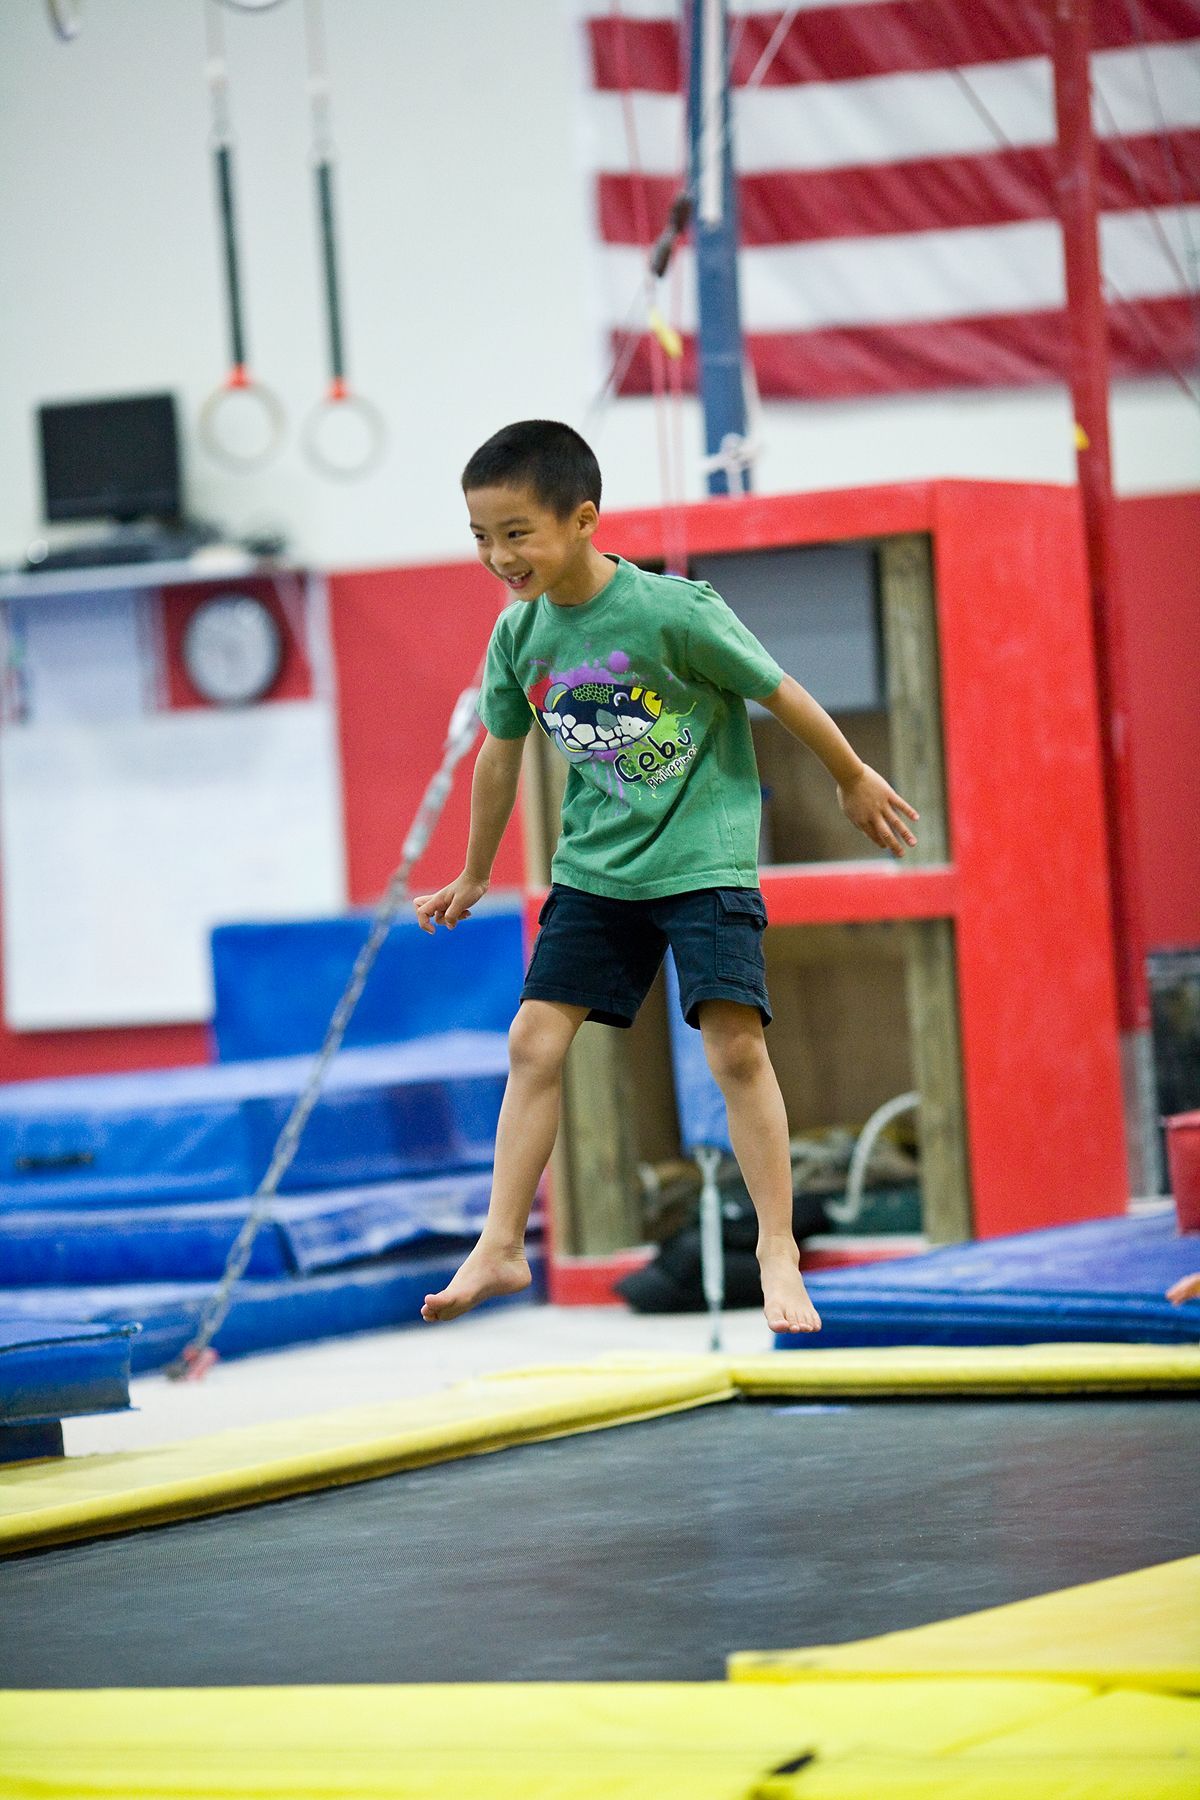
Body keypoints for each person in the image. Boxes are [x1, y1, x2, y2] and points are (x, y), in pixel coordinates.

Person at [414, 419, 919, 1334]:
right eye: (481, 536)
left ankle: (777, 1247)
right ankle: (499, 1243)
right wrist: (474, 871)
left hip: (701, 856)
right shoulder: (518, 636)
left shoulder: (674, 612)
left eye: (516, 533)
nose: (498, 556)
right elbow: (499, 754)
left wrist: (851, 776)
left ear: (583, 520)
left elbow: (779, 689)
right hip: (598, 869)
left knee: (733, 1045)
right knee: (534, 1040)